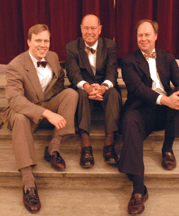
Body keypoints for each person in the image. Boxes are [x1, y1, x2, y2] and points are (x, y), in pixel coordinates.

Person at [118, 19, 179, 214]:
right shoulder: (128, 62)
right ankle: (138, 190)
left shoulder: (167, 57)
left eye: (147, 34)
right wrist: (165, 100)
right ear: (136, 38)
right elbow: (138, 90)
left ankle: (167, 149)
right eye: (140, 35)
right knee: (129, 121)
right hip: (142, 109)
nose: (143, 38)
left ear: (155, 36)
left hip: (165, 111)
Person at [1, 24, 78, 213]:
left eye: (46, 41)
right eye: (38, 40)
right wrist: (47, 113)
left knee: (70, 94)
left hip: (45, 104)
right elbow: (16, 101)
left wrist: (52, 105)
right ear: (28, 42)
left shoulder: (52, 57)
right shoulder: (15, 66)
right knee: (19, 117)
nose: (43, 45)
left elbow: (59, 81)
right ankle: (28, 182)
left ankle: (53, 148)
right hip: (23, 112)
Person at [65, 14, 121, 168]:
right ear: (81, 29)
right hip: (84, 87)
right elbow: (73, 73)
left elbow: (112, 71)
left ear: (100, 29)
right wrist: (87, 87)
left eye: (93, 28)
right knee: (81, 94)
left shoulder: (109, 45)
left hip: (104, 86)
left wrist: (103, 87)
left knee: (114, 93)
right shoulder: (71, 47)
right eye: (86, 28)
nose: (90, 32)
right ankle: (85, 145)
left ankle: (109, 144)